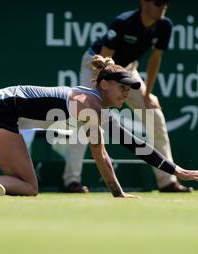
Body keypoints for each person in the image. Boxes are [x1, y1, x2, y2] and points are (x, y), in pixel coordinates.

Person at [0, 55, 198, 197]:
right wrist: (168, 172)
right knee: (28, 185)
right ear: (104, 84)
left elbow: (113, 148)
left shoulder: (91, 101)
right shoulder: (90, 104)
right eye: (123, 87)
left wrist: (166, 172)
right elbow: (116, 148)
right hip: (0, 110)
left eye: (129, 89)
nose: (127, 93)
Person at [62, 0, 190, 193]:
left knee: (154, 115)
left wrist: (147, 96)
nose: (162, 6)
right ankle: (72, 180)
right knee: (85, 119)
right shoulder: (123, 22)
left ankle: (167, 181)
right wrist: (96, 94)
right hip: (97, 66)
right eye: (157, 2)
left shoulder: (164, 26)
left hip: (127, 70)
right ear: (144, 3)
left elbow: (155, 60)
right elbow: (105, 60)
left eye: (165, 3)